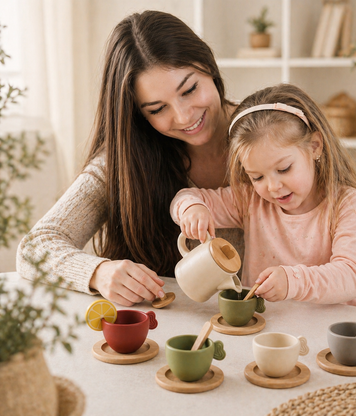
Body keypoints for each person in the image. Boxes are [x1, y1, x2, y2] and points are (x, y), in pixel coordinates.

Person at [16, 10, 243, 306]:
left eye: (189, 89)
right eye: (157, 109)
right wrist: (98, 271)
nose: (184, 116)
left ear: (209, 67)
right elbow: (34, 248)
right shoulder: (124, 163)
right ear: (138, 114)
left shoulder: (270, 131)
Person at [170, 83, 356, 312]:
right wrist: (192, 208)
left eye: (284, 169)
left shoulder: (346, 204)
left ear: (315, 147)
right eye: (257, 177)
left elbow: (349, 276)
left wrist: (291, 281)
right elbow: (185, 197)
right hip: (274, 326)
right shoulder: (250, 201)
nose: (273, 187)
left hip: (344, 326)